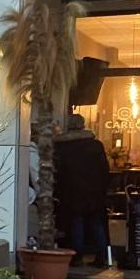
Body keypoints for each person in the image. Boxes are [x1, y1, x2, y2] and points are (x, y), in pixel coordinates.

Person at [54, 113, 111, 265]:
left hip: (73, 191)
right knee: (97, 223)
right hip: (95, 192)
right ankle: (103, 257)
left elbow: (60, 171)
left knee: (76, 223)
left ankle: (77, 257)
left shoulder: (64, 146)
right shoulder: (96, 145)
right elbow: (104, 169)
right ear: (83, 125)